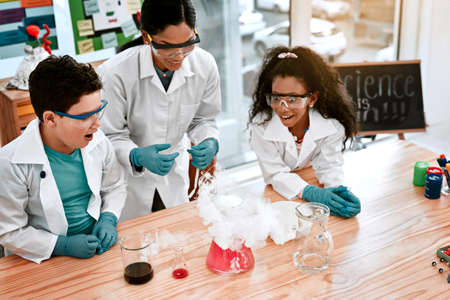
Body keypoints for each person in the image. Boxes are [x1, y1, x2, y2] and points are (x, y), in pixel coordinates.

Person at [98, 0, 221, 220]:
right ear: (147, 37)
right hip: (128, 184)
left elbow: (204, 119)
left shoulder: (205, 64)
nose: (180, 55)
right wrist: (135, 155)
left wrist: (209, 140)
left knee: (174, 235)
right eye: (167, 46)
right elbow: (109, 134)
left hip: (174, 174)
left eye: (187, 43)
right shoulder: (114, 73)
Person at [0, 56, 126, 263]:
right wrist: (60, 245)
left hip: (96, 250)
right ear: (50, 119)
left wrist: (108, 218)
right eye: (85, 117)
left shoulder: (97, 141)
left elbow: (114, 186)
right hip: (40, 259)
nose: (97, 125)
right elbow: (10, 231)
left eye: (98, 112)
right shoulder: (10, 163)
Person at [249, 46, 361, 218]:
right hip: (279, 199)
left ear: (312, 98)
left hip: (308, 178)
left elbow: (329, 164)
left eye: (292, 99)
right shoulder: (261, 125)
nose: (282, 108)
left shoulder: (331, 125)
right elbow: (275, 174)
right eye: (276, 97)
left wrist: (336, 189)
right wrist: (311, 193)